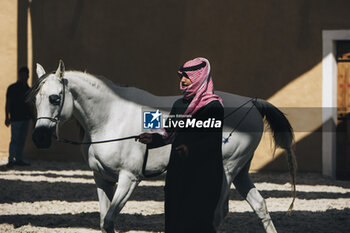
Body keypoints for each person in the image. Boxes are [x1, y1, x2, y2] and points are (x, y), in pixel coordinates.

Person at [138, 57, 224, 233]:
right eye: (181, 76)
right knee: (175, 218)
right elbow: (168, 133)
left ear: (200, 77)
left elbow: (212, 140)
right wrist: (152, 139)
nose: (183, 81)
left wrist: (190, 149)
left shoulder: (213, 106)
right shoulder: (179, 104)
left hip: (204, 173)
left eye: (187, 76)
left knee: (199, 221)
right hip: (178, 170)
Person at [5, 66, 32, 168]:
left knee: (22, 140)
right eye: (21, 74)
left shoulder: (28, 89)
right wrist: (7, 117)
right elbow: (8, 103)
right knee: (15, 139)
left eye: (25, 75)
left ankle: (18, 159)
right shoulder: (12, 88)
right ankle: (11, 160)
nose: (23, 77)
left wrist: (33, 119)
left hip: (26, 118)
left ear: (27, 76)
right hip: (16, 118)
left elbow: (31, 106)